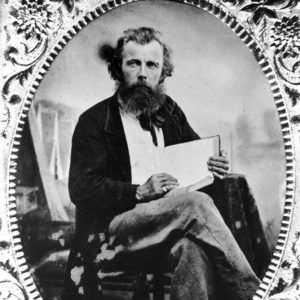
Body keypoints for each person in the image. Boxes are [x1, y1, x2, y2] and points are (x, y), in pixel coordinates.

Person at [62, 27, 260, 300]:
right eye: (133, 63)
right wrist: (138, 191)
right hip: (113, 233)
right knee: (196, 204)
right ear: (119, 69)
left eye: (151, 65)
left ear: (162, 72)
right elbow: (81, 188)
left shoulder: (170, 111)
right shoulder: (95, 121)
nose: (143, 73)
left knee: (193, 251)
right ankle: (254, 293)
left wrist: (212, 164)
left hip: (168, 223)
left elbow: (196, 154)